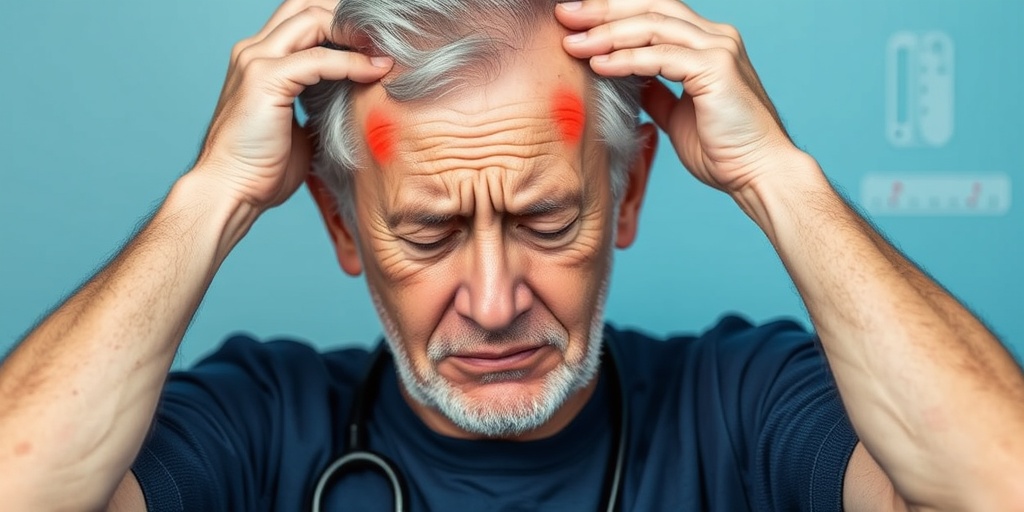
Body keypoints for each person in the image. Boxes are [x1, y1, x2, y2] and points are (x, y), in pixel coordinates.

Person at [1, 0, 1022, 510]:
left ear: (625, 194)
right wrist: (209, 196)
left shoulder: (745, 401)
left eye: (544, 220)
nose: (492, 302)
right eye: (427, 232)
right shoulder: (257, 421)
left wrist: (777, 176)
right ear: (344, 227)